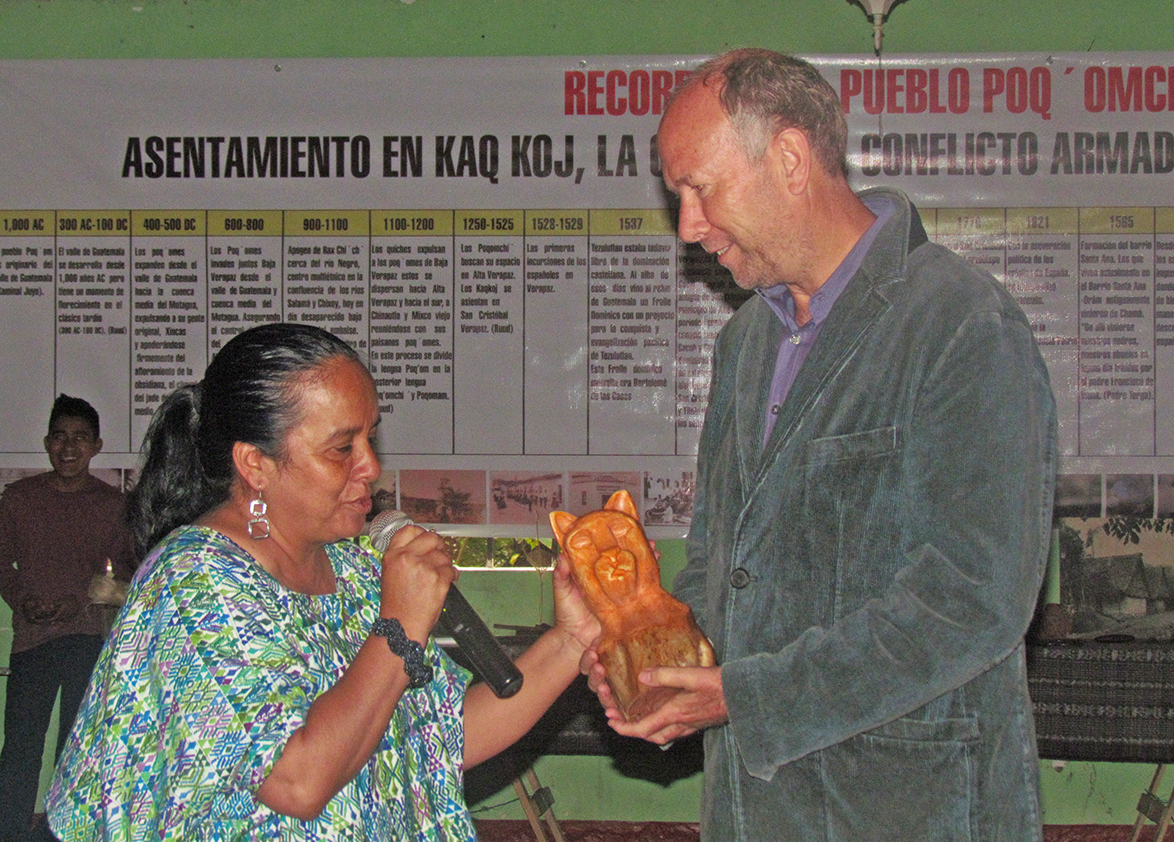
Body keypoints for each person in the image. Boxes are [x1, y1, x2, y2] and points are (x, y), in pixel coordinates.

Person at [583, 49, 1058, 841]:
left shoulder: (959, 325)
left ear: (791, 158)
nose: (689, 228)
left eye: (699, 189)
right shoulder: (744, 344)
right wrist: (662, 657)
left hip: (909, 809)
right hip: (756, 809)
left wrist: (747, 698)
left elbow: (973, 598)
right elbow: (718, 561)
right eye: (677, 199)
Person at [45, 323, 600, 841]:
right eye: (342, 448)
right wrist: (401, 624)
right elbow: (296, 781)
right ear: (255, 464)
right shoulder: (194, 582)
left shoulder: (355, 569)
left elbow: (441, 740)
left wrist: (570, 640)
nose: (371, 468)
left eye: (369, 439)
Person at [0, 395, 136, 842]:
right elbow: (2, 564)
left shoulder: (113, 505)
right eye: (60, 436)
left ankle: (64, 835)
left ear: (96, 446)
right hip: (32, 639)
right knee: (20, 750)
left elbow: (126, 572)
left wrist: (78, 601)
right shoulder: (18, 499)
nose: (69, 447)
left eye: (80, 438)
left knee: (74, 752)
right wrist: (23, 600)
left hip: (86, 640)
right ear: (46, 443)